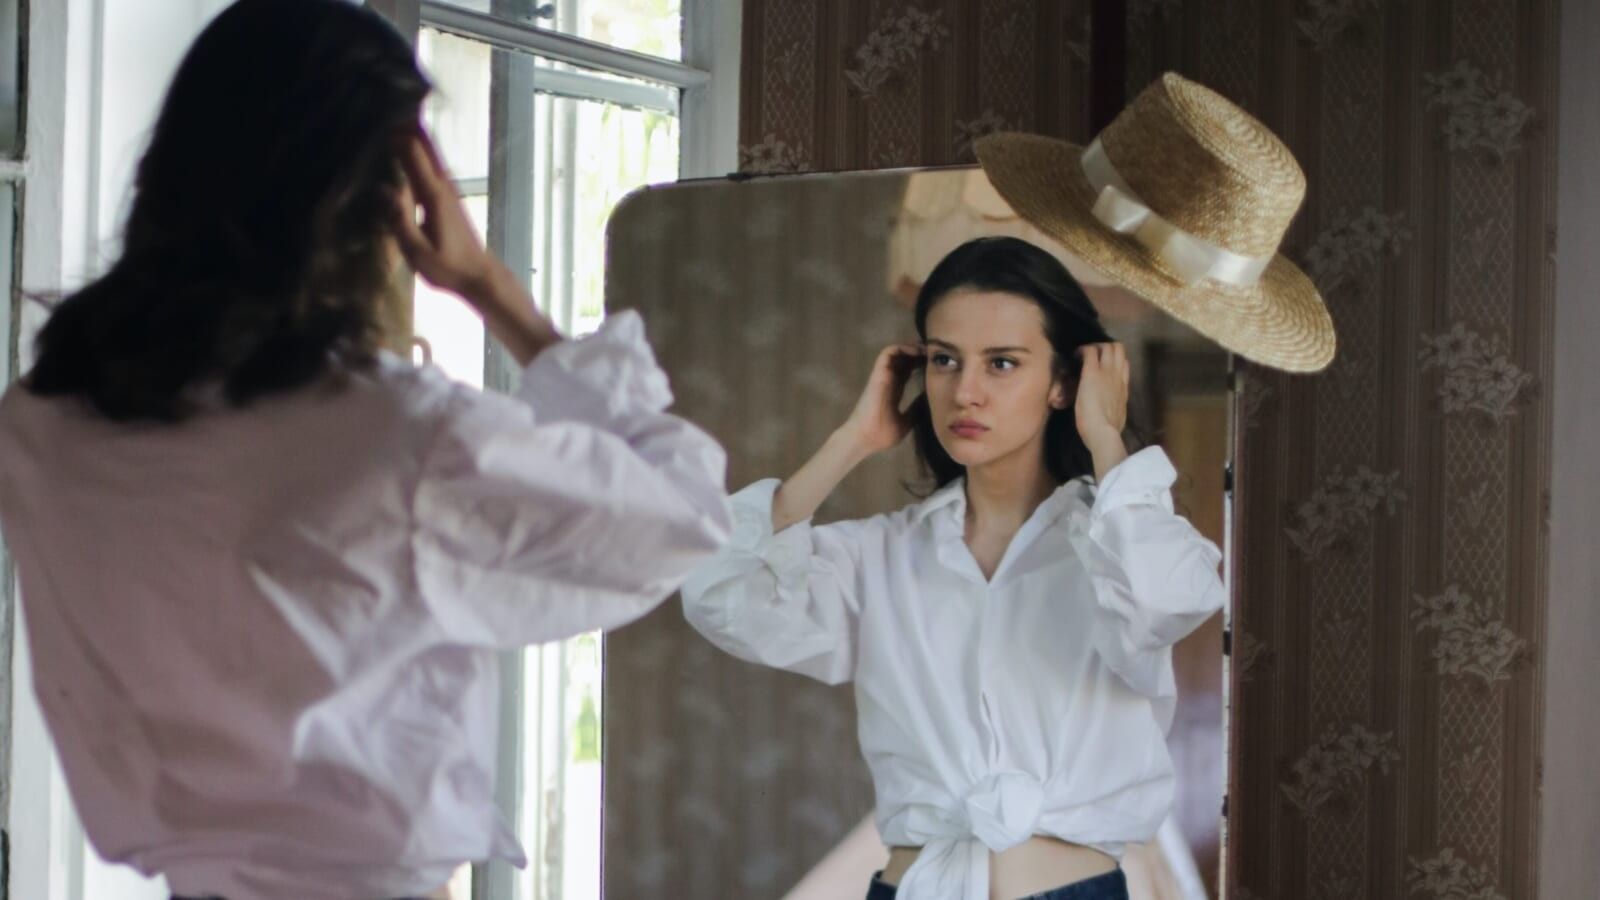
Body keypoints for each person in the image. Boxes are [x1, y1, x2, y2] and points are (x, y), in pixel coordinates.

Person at [0, 1, 729, 898]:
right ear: (387, 199)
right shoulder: (399, 440)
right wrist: (494, 290)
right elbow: (684, 514)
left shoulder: (39, 427)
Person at [681, 236, 1227, 900]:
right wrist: (851, 441)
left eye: (1002, 363)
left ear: (1063, 382)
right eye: (944, 360)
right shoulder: (879, 557)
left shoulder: (1118, 548)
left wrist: (1106, 439)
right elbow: (718, 593)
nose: (965, 392)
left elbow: (1166, 600)